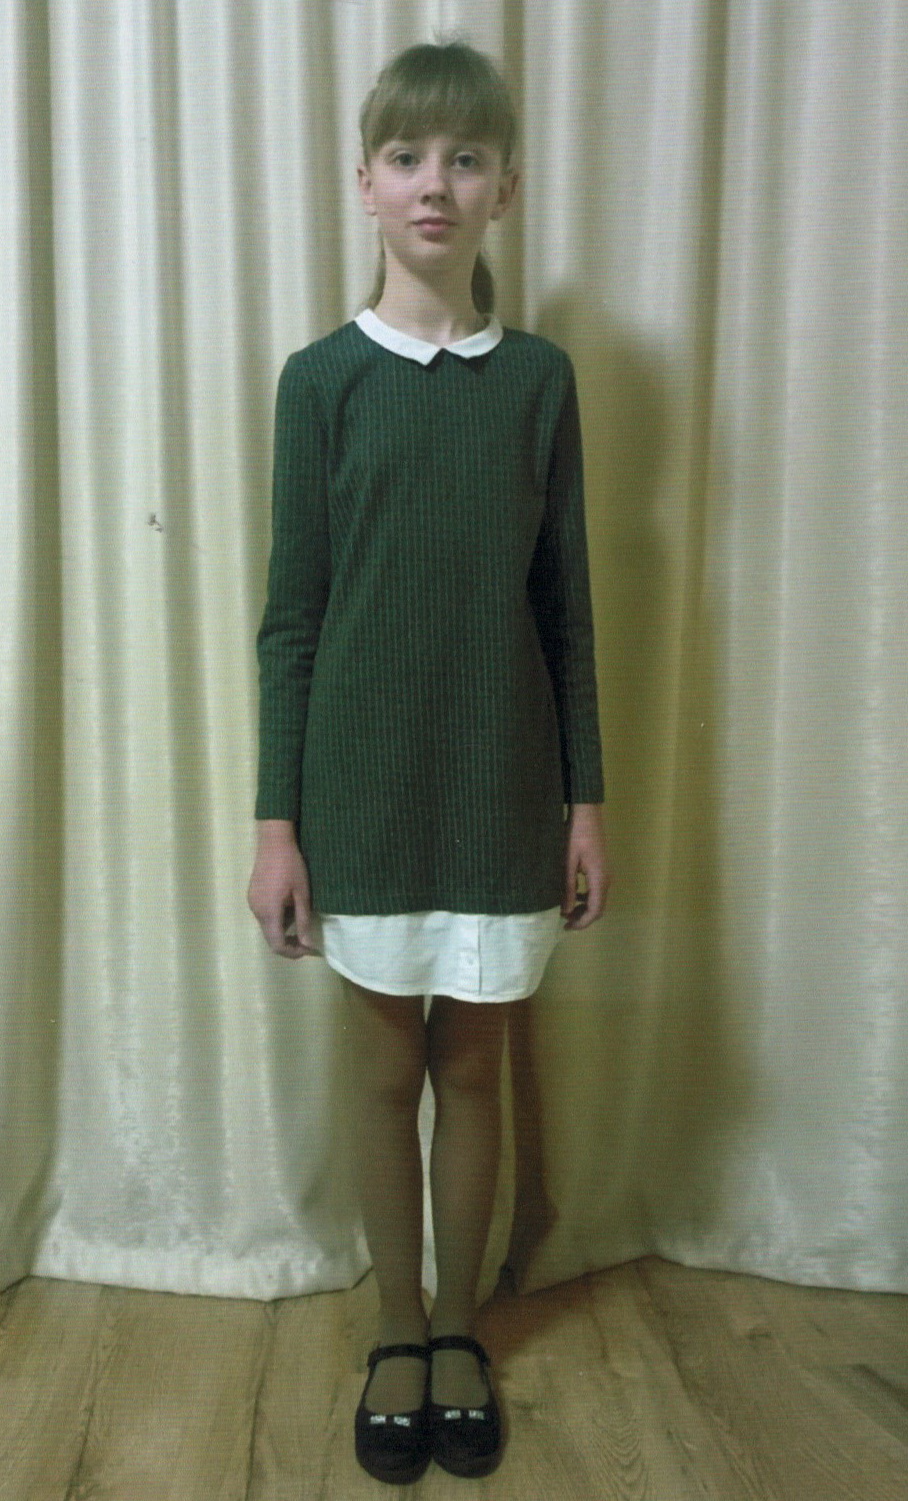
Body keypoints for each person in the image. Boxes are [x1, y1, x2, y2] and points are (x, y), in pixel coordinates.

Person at [247, 36, 612, 1484]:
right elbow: (293, 618)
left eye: (465, 158)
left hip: (503, 791)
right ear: (366, 183)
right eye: (407, 157)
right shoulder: (320, 383)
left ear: (504, 187)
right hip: (363, 797)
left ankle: (460, 1326)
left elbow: (567, 611)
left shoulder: (540, 382)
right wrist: (277, 825)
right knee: (380, 1071)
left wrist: (586, 803)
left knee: (475, 1069)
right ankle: (395, 1328)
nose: (434, 184)